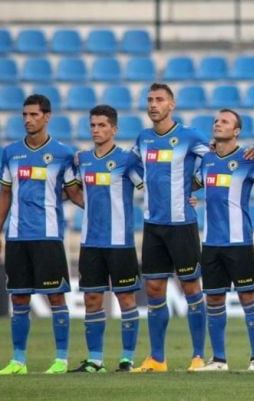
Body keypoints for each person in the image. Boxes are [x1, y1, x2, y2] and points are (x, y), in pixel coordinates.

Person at [0, 94, 81, 375]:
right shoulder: (11, 153)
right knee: (18, 298)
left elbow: (73, 192)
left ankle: (61, 360)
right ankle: (18, 361)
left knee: (56, 298)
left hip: (48, 237)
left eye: (34, 115)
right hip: (17, 236)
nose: (28, 120)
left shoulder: (64, 154)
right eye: (25, 115)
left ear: (47, 116)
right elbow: (5, 193)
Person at [131, 83, 208, 373]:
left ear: (171, 105)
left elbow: (214, 160)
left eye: (159, 100)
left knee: (191, 287)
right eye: (149, 99)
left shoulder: (189, 137)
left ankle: (199, 356)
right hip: (153, 225)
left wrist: (197, 186)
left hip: (182, 224)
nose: (153, 104)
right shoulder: (144, 139)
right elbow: (129, 165)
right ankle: (157, 358)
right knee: (153, 288)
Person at [66, 105, 144, 373]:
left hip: (120, 242)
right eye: (93, 125)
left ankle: (127, 358)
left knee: (126, 300)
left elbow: (147, 187)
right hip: (91, 242)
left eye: (102, 125)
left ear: (114, 129)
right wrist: (92, 208)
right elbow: (72, 190)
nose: (96, 130)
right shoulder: (83, 159)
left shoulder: (126, 160)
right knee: (92, 301)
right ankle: (95, 360)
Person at [192, 109, 254, 371]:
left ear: (236, 131)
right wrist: (191, 196)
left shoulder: (247, 160)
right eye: (216, 121)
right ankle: (219, 359)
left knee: (248, 298)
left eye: (224, 121)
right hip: (211, 243)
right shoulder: (207, 160)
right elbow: (194, 185)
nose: (217, 124)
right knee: (214, 300)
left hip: (239, 242)